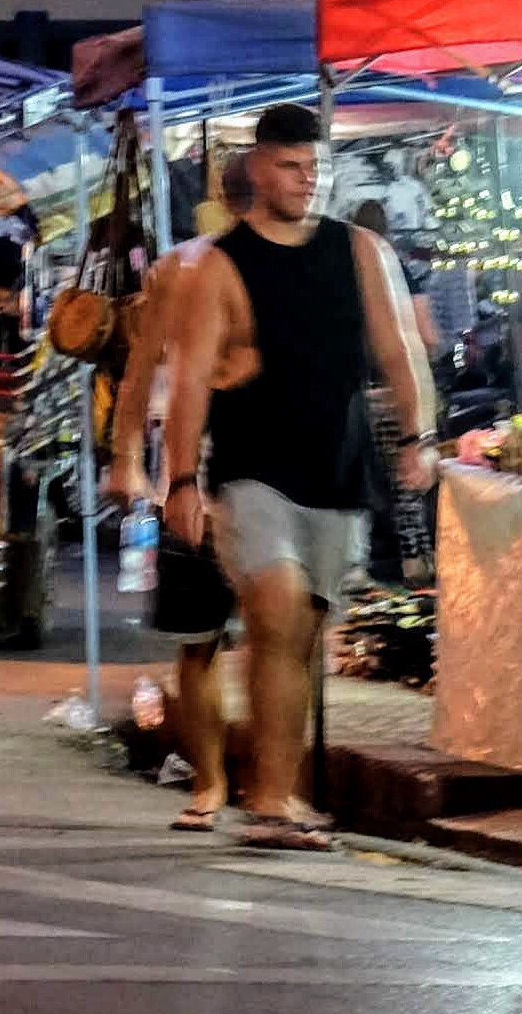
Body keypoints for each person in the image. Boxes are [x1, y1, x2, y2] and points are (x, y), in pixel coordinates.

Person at [160, 102, 435, 853]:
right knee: (276, 617)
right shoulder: (220, 264)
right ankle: (271, 803)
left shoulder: (360, 251)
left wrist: (421, 436)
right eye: (290, 165)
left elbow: (400, 350)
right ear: (257, 167)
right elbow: (187, 383)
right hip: (251, 471)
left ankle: (277, 787)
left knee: (305, 636)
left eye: (316, 168)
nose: (306, 181)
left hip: (338, 470)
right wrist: (181, 479)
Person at [108, 149, 248, 830]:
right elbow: (141, 374)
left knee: (211, 645)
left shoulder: (292, 265)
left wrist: (125, 457)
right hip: (196, 478)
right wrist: (127, 459)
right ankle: (220, 783)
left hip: (219, 478)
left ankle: (218, 785)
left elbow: (136, 378)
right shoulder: (183, 267)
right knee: (209, 642)